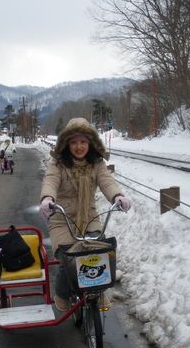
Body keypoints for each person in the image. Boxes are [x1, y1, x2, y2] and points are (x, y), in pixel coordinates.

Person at [39, 118, 133, 312]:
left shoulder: (97, 164)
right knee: (68, 259)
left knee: (97, 253)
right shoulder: (58, 163)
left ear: (90, 143)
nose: (79, 146)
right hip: (62, 218)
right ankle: (62, 294)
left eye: (83, 142)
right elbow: (51, 180)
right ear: (67, 144)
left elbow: (107, 181)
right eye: (73, 142)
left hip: (89, 218)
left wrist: (118, 196)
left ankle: (97, 292)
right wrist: (48, 198)